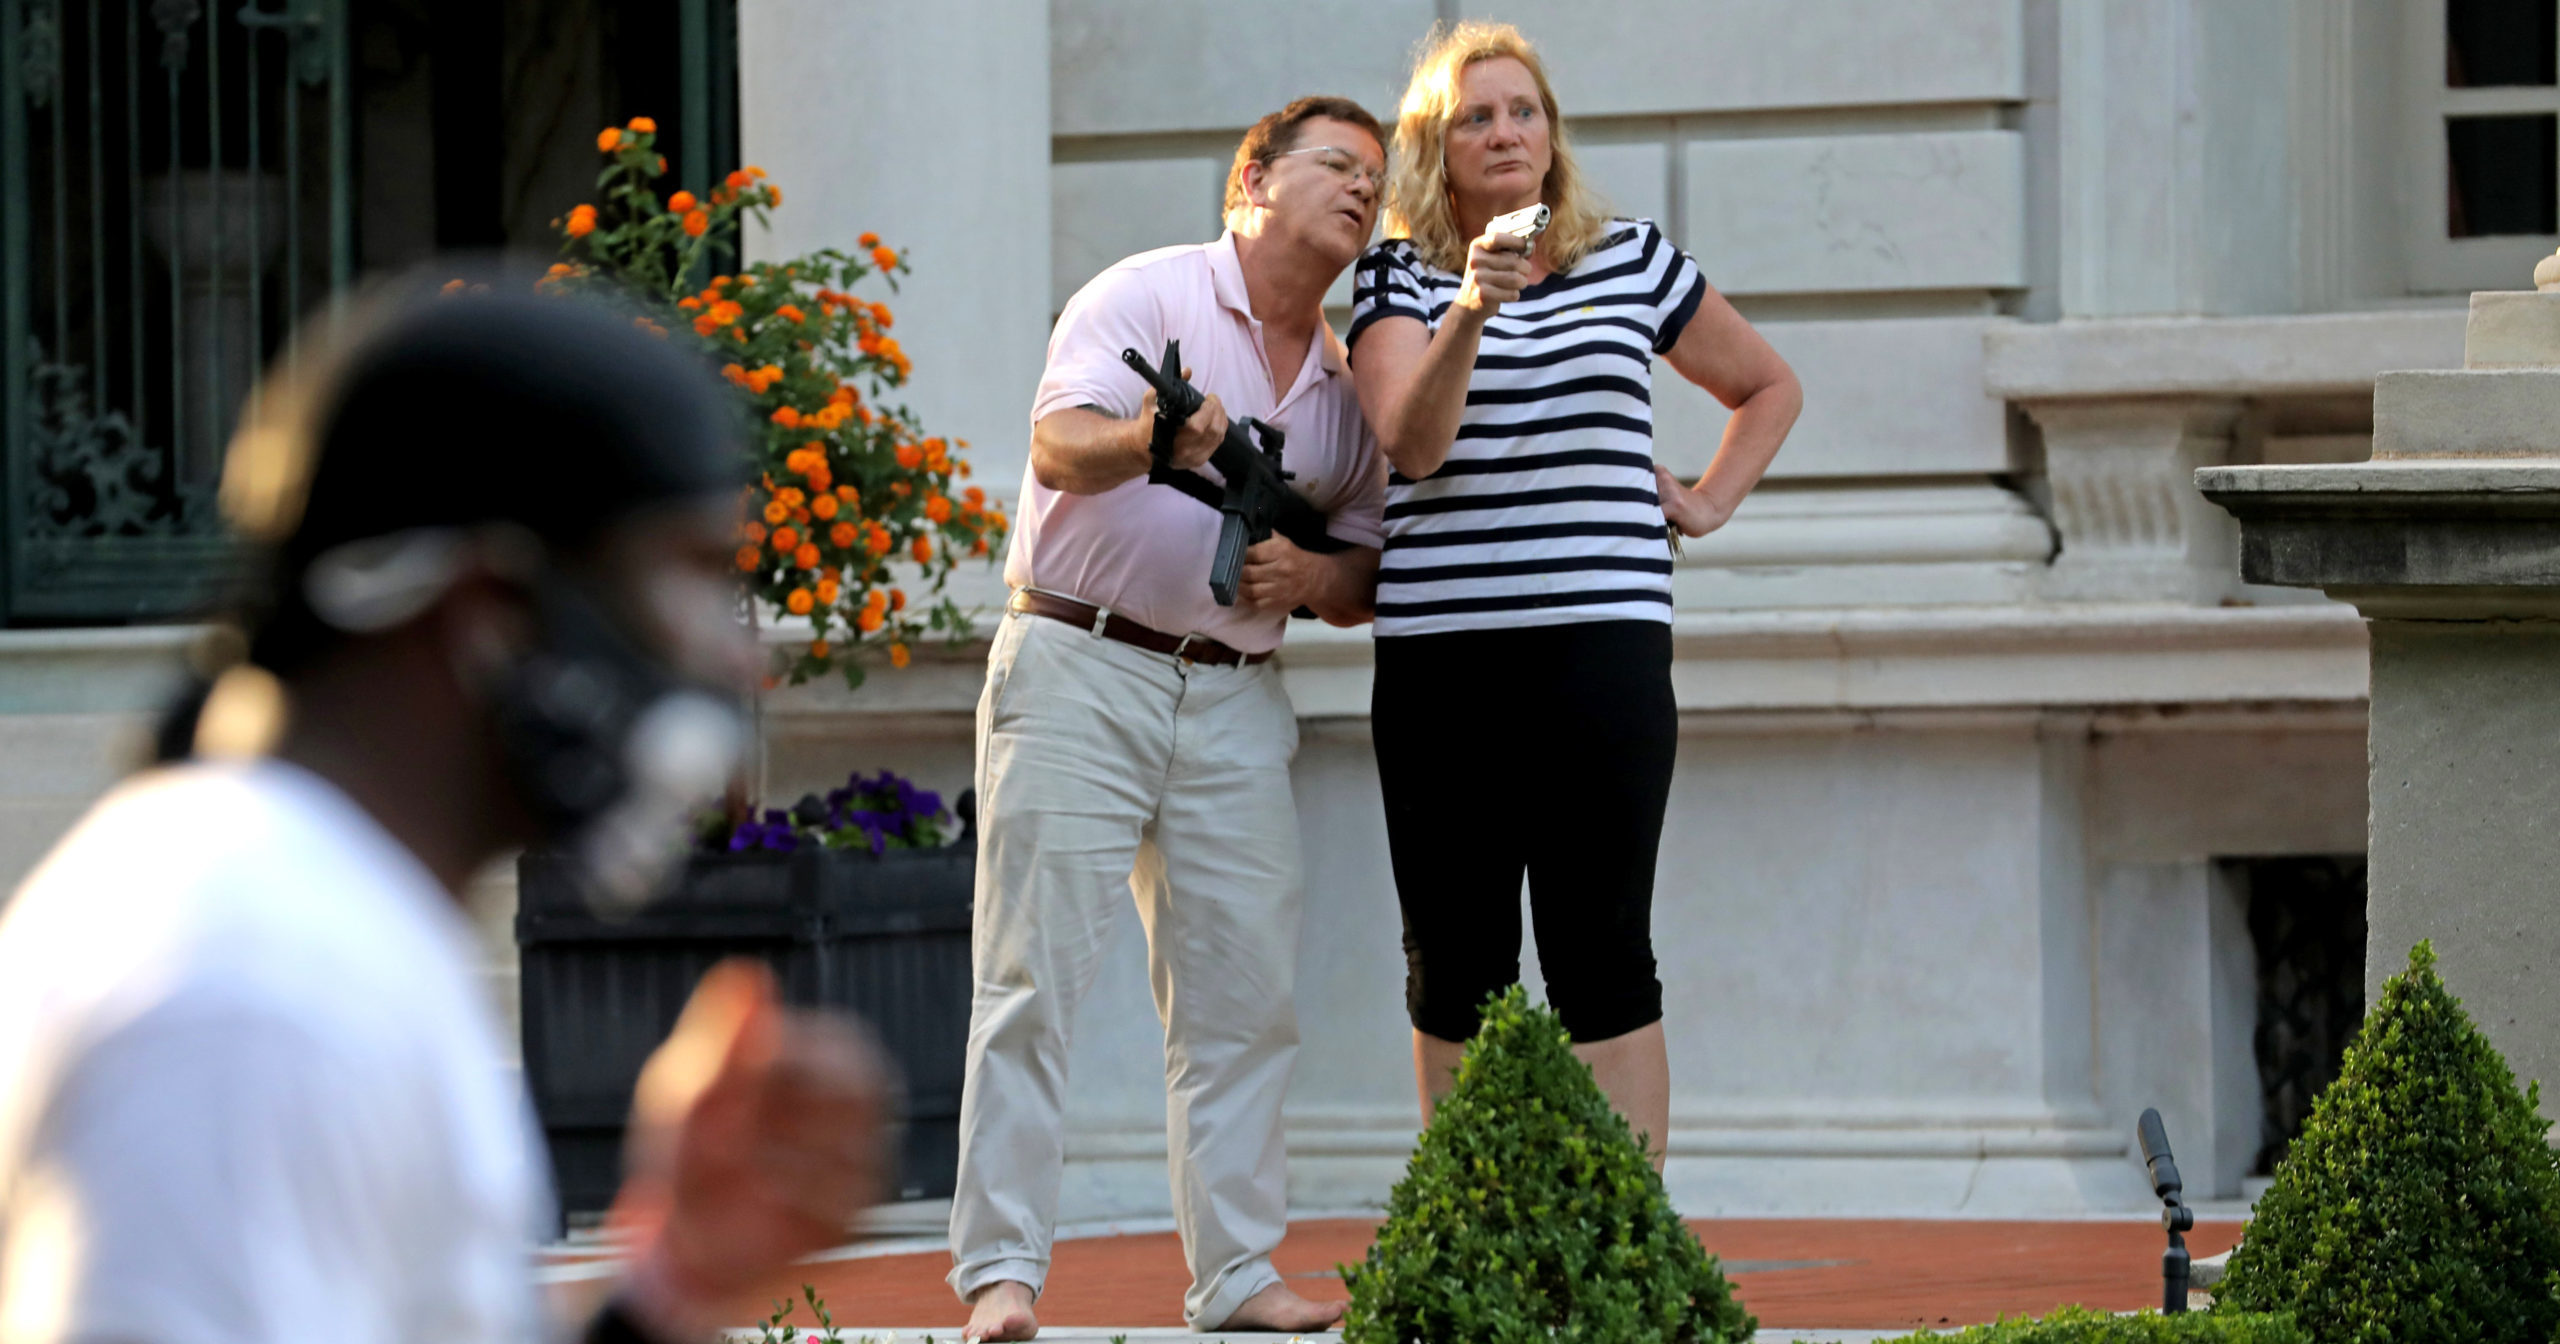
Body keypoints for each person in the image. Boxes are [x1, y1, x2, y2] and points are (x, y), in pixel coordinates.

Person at [0, 282, 892, 1344]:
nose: (739, 656)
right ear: (489, 612)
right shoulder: (256, 992)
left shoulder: (309, 918)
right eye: (690, 576)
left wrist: (667, 1288)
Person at [949, 96, 1391, 1341]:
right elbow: (1055, 447)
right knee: (1031, 981)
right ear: (1250, 178)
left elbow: (1362, 569)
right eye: (1336, 165)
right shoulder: (1144, 296)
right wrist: (1157, 436)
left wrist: (1307, 581)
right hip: (1080, 663)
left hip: (1239, 695)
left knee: (1243, 1001)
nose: (1363, 189)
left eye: (1376, 177)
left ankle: (1238, 1276)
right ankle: (1002, 1275)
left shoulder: (1349, 390)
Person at [1347, 22, 1803, 1167]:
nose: (1505, 132)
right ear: (1435, 148)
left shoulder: (1629, 256)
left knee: (1603, 949)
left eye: (1523, 111)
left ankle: (1625, 1252)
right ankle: (1473, 1241)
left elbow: (1767, 386)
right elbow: (1412, 447)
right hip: (1444, 663)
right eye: (1475, 116)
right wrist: (1468, 309)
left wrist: (1704, 500)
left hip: (1601, 652)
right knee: (1456, 958)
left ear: (1551, 133)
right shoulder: (1399, 278)